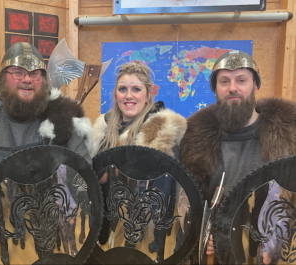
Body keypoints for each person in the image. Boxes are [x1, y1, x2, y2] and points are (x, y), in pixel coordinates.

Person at [0, 42, 93, 264]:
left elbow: (84, 181)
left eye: (35, 74)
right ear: (2, 79)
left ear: (43, 82)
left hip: (48, 243)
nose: (27, 79)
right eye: (18, 72)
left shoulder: (62, 123)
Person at [180, 50, 296, 259]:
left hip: (273, 253)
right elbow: (187, 201)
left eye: (241, 80)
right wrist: (201, 234)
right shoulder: (194, 140)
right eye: (224, 81)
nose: (233, 88)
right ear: (215, 89)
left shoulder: (290, 137)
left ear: (255, 86)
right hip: (217, 255)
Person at [91, 61, 187, 262]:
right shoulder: (103, 129)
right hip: (111, 223)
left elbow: (170, 189)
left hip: (149, 226)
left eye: (136, 89)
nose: (128, 96)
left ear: (148, 94)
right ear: (115, 93)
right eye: (122, 89)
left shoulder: (162, 133)